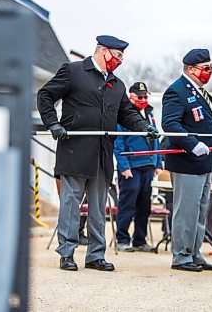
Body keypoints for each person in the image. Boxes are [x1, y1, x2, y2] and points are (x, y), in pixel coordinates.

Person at [37, 35, 159, 272]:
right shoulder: (73, 71)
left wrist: (145, 128)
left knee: (97, 209)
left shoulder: (118, 84)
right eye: (118, 55)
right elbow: (45, 96)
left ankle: (95, 255)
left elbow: (127, 114)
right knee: (71, 206)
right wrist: (53, 124)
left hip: (103, 154)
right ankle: (67, 253)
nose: (120, 61)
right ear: (103, 51)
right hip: (74, 150)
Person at [161, 48, 212, 272]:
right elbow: (171, 125)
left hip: (204, 162)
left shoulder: (202, 93)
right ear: (192, 69)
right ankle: (181, 255)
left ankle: (194, 252)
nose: (209, 72)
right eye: (206, 68)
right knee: (186, 210)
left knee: (200, 210)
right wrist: (193, 143)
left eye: (210, 68)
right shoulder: (177, 92)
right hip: (187, 162)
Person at [113, 82, 163, 252]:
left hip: (148, 166)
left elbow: (155, 138)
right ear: (131, 97)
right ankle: (122, 239)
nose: (143, 99)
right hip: (132, 167)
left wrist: (158, 162)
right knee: (128, 204)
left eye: (145, 96)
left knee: (144, 206)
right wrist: (124, 167)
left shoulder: (150, 113)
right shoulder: (124, 114)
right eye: (139, 97)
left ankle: (140, 240)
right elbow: (118, 143)